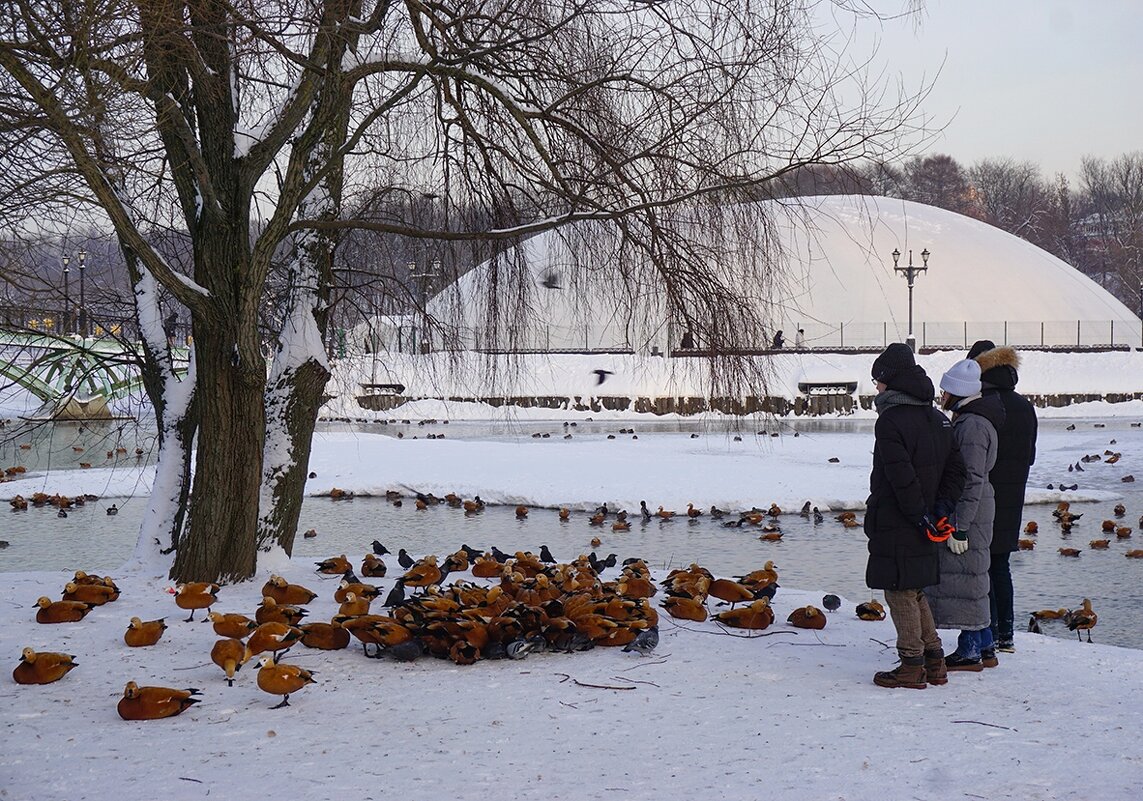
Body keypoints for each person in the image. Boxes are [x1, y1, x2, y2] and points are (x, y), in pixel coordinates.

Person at [865, 343, 966, 689]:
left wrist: (919, 514)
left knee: (898, 590)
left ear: (891, 381)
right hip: (926, 520)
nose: (876, 387)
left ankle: (911, 664)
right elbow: (957, 470)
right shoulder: (938, 418)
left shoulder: (892, 421)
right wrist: (941, 509)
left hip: (899, 519)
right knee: (914, 588)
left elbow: (900, 476)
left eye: (878, 380)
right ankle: (935, 660)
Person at [926, 358, 1006, 672]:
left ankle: (970, 650)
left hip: (971, 511)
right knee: (973, 577)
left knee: (968, 580)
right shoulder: (972, 419)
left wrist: (959, 526)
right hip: (978, 508)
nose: (941, 395)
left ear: (958, 392)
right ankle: (985, 646)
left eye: (946, 390)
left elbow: (971, 478)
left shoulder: (971, 425)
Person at [968, 340, 1037, 653]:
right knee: (1001, 565)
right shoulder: (1024, 406)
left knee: (982, 566)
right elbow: (1030, 455)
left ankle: (987, 632)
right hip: (1014, 494)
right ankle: (1006, 634)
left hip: (985, 494)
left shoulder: (982, 403)